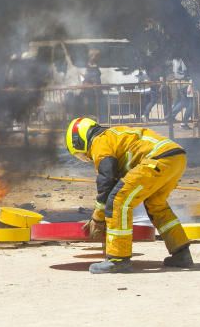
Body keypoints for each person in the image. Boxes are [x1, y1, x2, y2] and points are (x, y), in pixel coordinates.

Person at [66, 116, 192, 274]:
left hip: (156, 158)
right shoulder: (115, 135)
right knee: (156, 205)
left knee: (118, 201)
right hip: (175, 157)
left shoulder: (99, 141)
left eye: (81, 154)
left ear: (79, 140)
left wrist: (98, 217)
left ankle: (118, 260)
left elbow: (106, 180)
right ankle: (181, 253)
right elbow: (116, 177)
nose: (87, 157)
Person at [166, 58, 194, 128]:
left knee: (184, 102)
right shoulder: (183, 59)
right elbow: (186, 72)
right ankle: (183, 122)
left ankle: (170, 116)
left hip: (181, 84)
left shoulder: (175, 59)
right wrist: (190, 84)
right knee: (191, 104)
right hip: (185, 83)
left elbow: (175, 72)